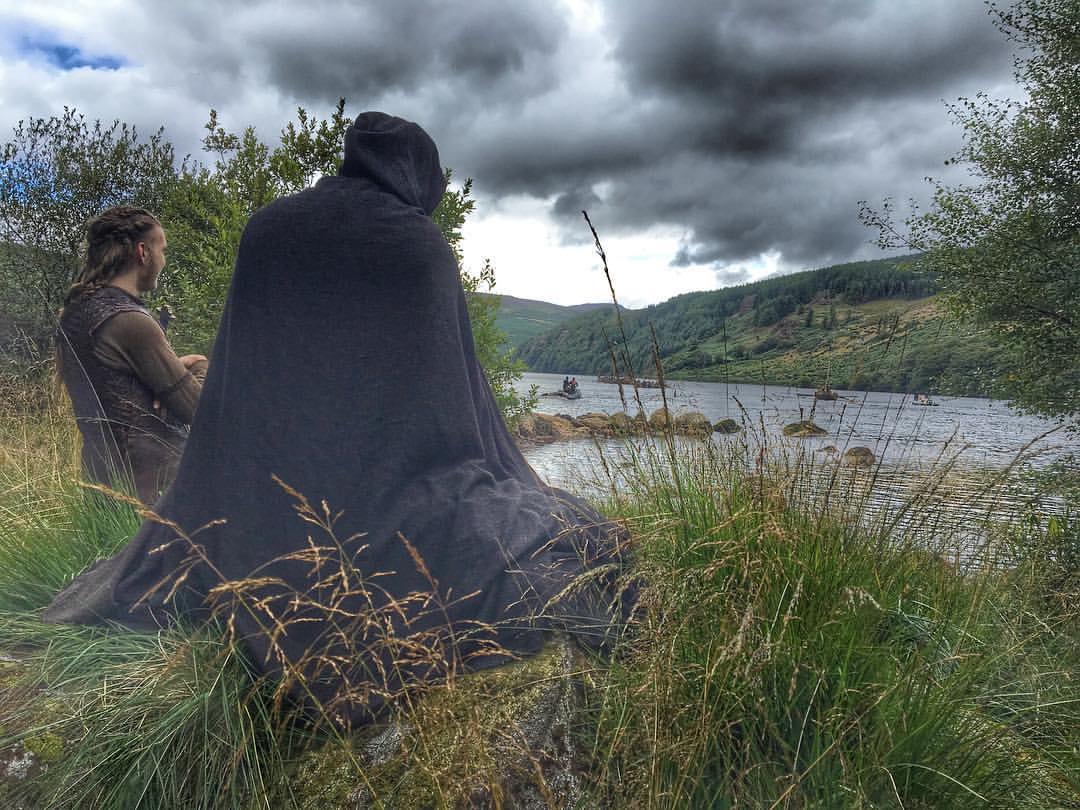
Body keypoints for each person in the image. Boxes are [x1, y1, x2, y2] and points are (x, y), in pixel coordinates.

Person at [45, 113, 633, 727]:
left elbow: (249, 383)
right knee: (536, 532)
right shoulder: (417, 244)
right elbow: (446, 406)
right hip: (388, 494)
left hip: (259, 498)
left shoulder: (268, 229)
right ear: (418, 173)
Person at [56, 207, 207, 504]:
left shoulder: (73, 315)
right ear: (143, 252)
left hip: (101, 489)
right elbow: (199, 411)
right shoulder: (130, 321)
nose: (163, 260)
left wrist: (165, 377)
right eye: (161, 250)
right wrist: (200, 365)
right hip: (154, 492)